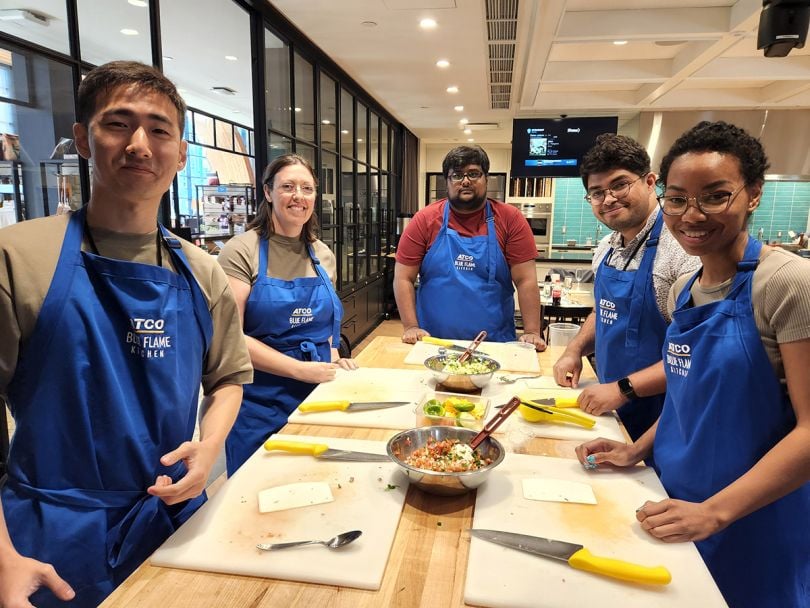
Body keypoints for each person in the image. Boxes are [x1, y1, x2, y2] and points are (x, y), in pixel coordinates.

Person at [0, 61, 252, 607]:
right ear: (83, 140)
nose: (140, 144)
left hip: (169, 521)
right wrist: (2, 555)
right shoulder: (19, 257)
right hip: (47, 541)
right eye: (118, 124)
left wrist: (208, 450)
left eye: (159, 130)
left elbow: (229, 377)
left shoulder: (202, 271)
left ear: (181, 153)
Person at [575, 121, 810, 608]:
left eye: (715, 195)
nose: (691, 214)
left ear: (753, 195)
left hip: (749, 515)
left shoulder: (788, 283)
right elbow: (686, 396)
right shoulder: (687, 289)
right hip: (675, 499)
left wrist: (716, 513)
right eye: (678, 199)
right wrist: (635, 450)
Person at [551, 134, 700, 441]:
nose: (608, 199)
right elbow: (605, 311)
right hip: (610, 403)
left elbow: (697, 354)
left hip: (667, 414)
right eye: (596, 192)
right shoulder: (607, 247)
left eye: (619, 185)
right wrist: (574, 349)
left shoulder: (682, 251)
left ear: (650, 182)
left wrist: (624, 390)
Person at [217, 154, 356, 476]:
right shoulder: (241, 251)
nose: (299, 196)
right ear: (268, 193)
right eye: (288, 187)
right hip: (258, 399)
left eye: (307, 188)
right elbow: (229, 337)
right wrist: (296, 369)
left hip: (318, 395)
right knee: (258, 494)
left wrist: (333, 355)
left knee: (314, 484)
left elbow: (323, 324)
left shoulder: (323, 254)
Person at [394, 145, 545, 350]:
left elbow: (526, 280)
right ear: (446, 181)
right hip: (433, 343)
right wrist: (411, 326)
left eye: (473, 174)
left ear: (486, 178)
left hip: (495, 344)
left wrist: (532, 332)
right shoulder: (425, 220)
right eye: (456, 175)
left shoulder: (510, 219)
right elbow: (403, 277)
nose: (465, 181)